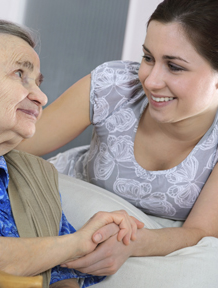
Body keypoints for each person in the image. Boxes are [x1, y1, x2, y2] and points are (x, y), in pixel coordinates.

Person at [0, 19, 144, 288]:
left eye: (38, 82)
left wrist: (89, 243)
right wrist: (76, 243)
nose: (41, 97)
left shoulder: (39, 175)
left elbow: (63, 278)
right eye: (20, 74)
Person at [17, 0, 218, 286]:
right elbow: (15, 145)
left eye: (174, 67)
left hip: (146, 241)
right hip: (67, 207)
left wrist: (130, 243)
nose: (150, 80)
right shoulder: (114, 84)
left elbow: (198, 233)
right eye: (148, 58)